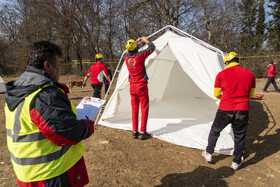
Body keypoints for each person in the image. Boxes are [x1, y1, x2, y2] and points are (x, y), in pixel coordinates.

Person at [5, 41, 94, 186]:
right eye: (59, 64)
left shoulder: (20, 86)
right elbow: (64, 132)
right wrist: (87, 126)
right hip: (49, 174)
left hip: (27, 171)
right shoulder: (44, 94)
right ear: (47, 65)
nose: (61, 68)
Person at [202, 52, 256, 170]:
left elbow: (216, 93)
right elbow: (251, 94)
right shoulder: (250, 74)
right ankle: (236, 162)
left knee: (215, 130)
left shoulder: (221, 74)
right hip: (242, 109)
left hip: (225, 108)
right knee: (240, 135)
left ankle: (209, 153)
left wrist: (225, 99)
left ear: (227, 62)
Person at [125, 37, 155, 140]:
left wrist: (135, 43)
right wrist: (145, 40)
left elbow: (127, 51)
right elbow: (152, 47)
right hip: (141, 86)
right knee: (144, 108)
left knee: (134, 109)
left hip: (132, 86)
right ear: (135, 48)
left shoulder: (126, 58)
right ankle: (143, 131)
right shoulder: (140, 56)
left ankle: (135, 132)